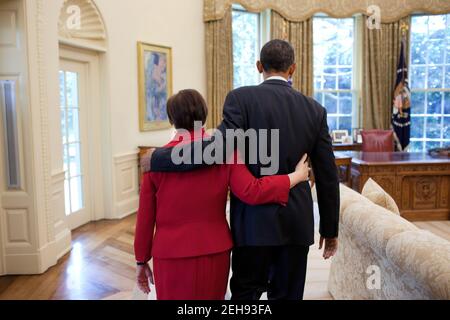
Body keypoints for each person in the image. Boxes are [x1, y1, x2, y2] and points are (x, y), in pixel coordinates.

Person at [144, 39, 340, 300]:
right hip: (296, 226)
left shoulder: (240, 99)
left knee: (245, 298)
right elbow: (328, 176)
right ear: (292, 69)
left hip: (252, 226)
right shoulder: (315, 110)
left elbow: (213, 150)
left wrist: (158, 159)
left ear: (259, 66)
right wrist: (330, 229)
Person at [134, 89, 310, 300]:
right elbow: (252, 190)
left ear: (172, 120)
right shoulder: (225, 154)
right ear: (205, 115)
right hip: (215, 249)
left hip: (170, 252)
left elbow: (145, 218)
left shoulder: (154, 162)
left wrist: (141, 260)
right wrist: (296, 176)